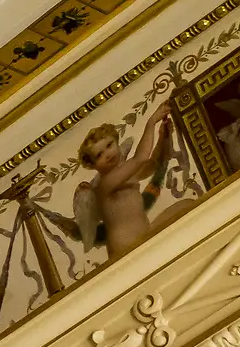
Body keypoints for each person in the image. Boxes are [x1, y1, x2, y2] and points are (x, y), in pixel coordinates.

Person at [76, 86, 188, 257]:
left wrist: (163, 137)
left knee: (186, 206)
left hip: (144, 236)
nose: (107, 154)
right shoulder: (105, 184)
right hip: (126, 248)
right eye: (99, 155)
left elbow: (153, 163)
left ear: (116, 141)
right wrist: (151, 121)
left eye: (109, 145)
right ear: (92, 165)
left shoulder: (126, 172)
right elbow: (141, 157)